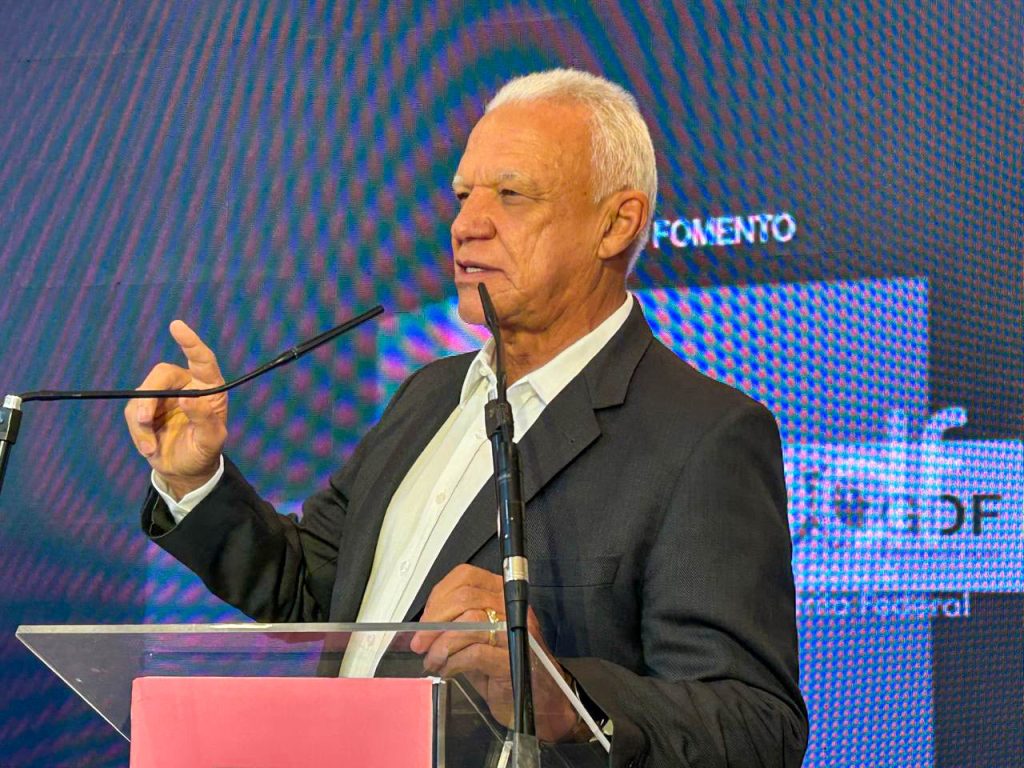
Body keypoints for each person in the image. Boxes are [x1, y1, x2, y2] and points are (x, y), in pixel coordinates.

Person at [125, 69, 808, 766]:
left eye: (511, 195)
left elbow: (759, 727)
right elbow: (313, 589)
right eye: (462, 196)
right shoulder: (429, 395)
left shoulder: (705, 437)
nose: (465, 225)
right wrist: (196, 480)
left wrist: (562, 700)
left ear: (616, 223)